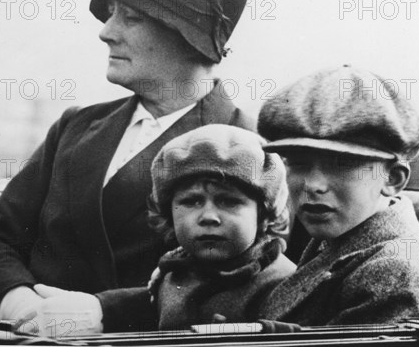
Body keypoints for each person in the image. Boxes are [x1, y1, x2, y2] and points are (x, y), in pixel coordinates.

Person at [0, 0, 252, 324]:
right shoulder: (76, 127)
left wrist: (104, 312)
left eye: (129, 17)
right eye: (112, 14)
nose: (106, 31)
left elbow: (254, 280)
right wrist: (22, 307)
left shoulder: (253, 148)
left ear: (190, 36)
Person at [255, 66, 419, 326]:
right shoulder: (346, 239)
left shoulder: (394, 278)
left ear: (392, 179)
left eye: (340, 164)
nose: (312, 186)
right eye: (298, 163)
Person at [86, 124, 295, 332]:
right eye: (191, 201)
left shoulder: (282, 285)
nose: (208, 217)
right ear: (169, 212)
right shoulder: (170, 276)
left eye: (229, 201)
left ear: (264, 214)